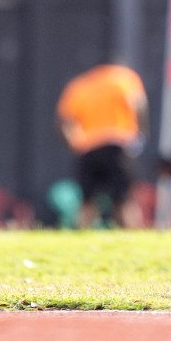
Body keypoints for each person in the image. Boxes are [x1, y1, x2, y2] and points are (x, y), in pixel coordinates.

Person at [55, 61, 148, 228]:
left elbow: (64, 121)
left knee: (87, 202)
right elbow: (138, 105)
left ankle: (80, 242)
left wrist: (74, 143)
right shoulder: (123, 78)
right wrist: (140, 133)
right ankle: (132, 240)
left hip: (88, 149)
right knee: (123, 200)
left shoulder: (79, 85)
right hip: (117, 146)